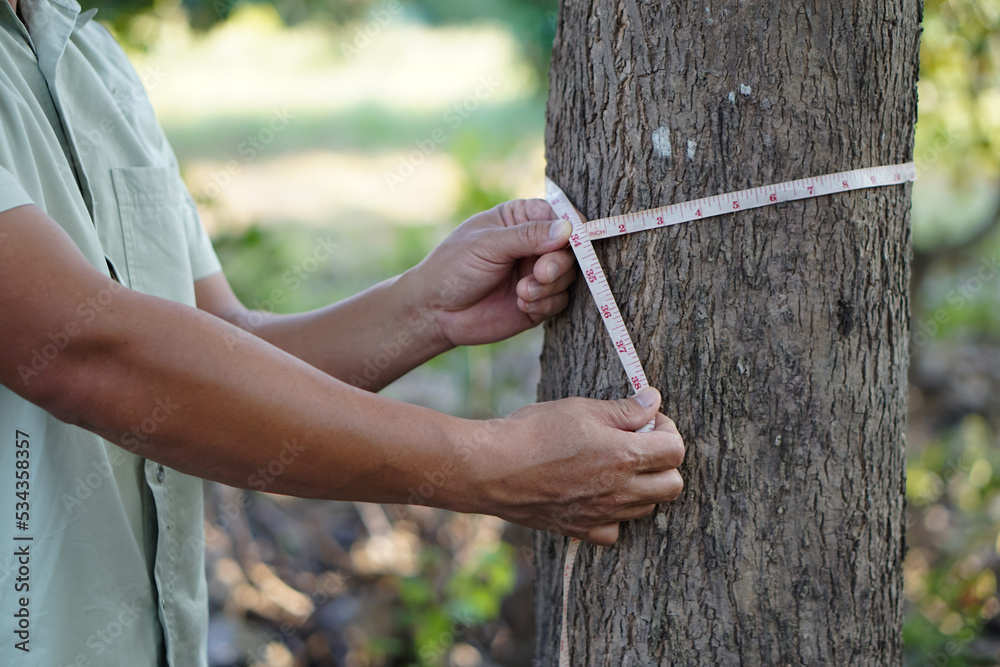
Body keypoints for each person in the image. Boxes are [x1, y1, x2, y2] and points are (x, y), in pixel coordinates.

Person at [0, 0, 685, 663]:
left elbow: (220, 347)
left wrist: (422, 311)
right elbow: (92, 355)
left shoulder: (89, 56)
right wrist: (493, 465)